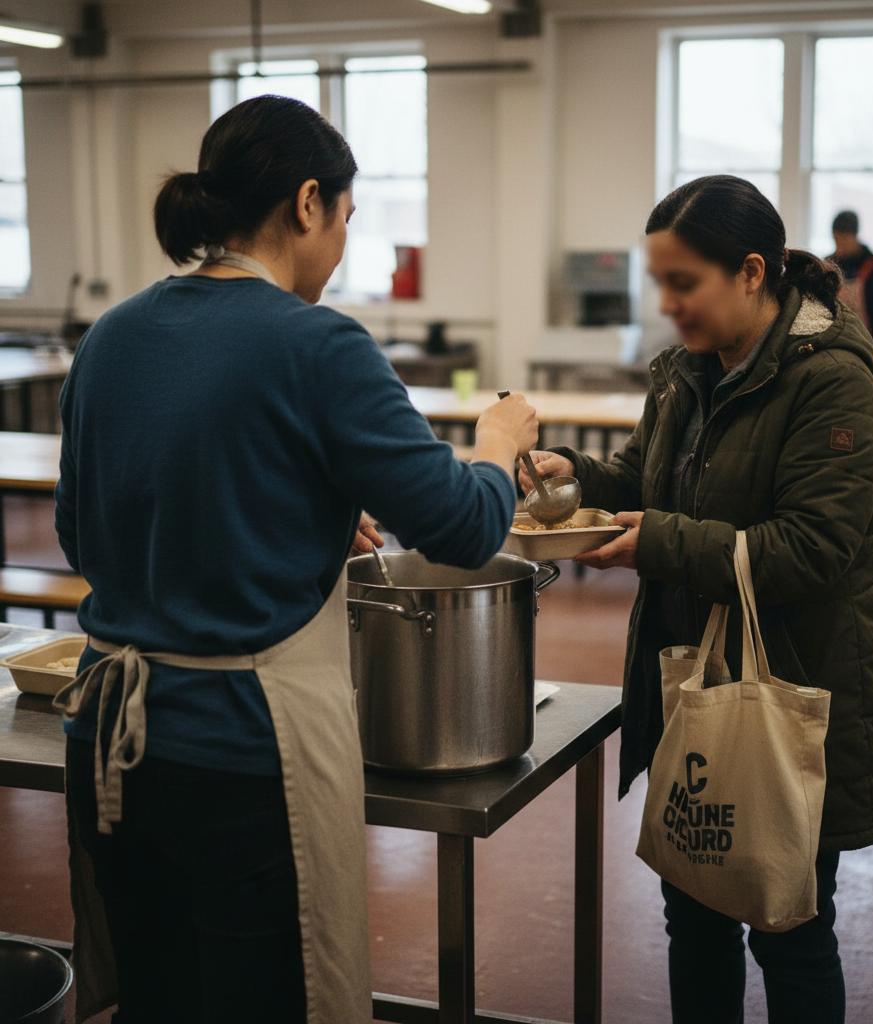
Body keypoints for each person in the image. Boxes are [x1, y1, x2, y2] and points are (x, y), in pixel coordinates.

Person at [54, 95, 538, 1024]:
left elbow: (88, 535)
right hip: (243, 758)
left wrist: (300, 516)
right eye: (348, 219)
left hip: (111, 748)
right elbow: (466, 528)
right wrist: (497, 444)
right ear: (309, 202)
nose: (343, 243)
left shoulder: (112, 336)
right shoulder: (319, 344)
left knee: (160, 1001)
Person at [521, 175, 873, 1024]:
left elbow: (811, 549)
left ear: (752, 272)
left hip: (790, 688)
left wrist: (655, 542)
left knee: (790, 931)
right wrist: (575, 472)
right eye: (662, 282)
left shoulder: (830, 380)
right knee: (693, 915)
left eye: (684, 282)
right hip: (689, 683)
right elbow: (645, 479)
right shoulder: (688, 372)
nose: (669, 302)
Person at [828, 209, 873, 362]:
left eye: (844, 239)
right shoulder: (827, 268)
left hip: (868, 350)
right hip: (833, 349)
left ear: (855, 236)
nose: (839, 244)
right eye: (836, 239)